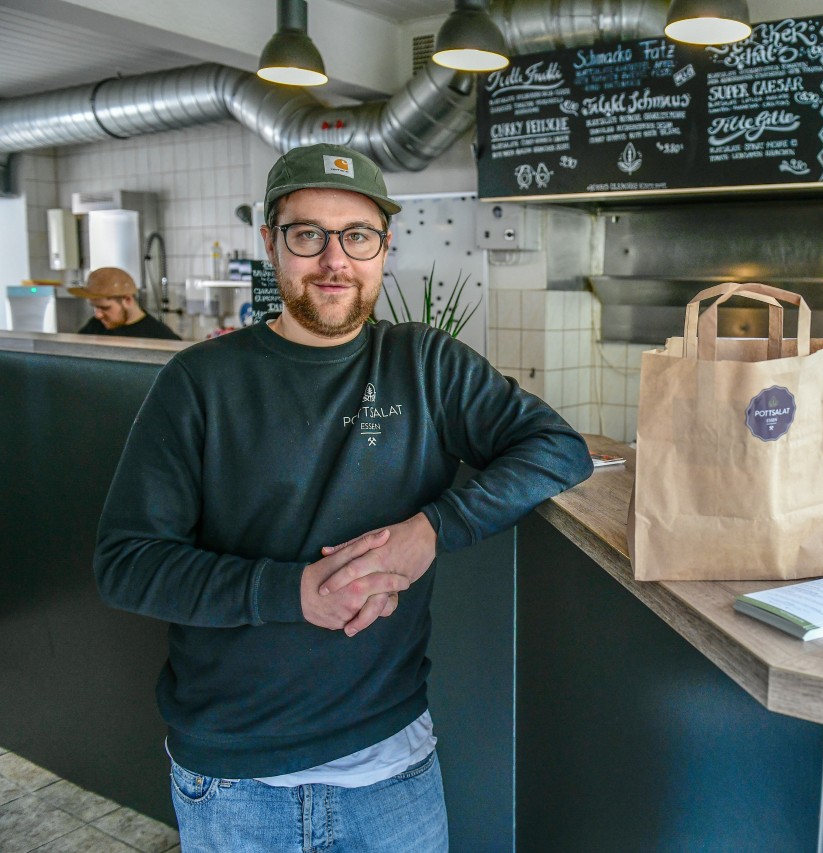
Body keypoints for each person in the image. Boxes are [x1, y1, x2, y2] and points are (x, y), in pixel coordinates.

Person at [93, 142, 594, 851]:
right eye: (308, 235)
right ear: (271, 243)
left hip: (391, 763)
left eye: (357, 235)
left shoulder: (425, 364)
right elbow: (127, 563)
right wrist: (293, 591)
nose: (335, 259)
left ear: (384, 247)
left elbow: (558, 447)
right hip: (235, 778)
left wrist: (433, 528)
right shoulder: (199, 381)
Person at [70, 266, 181, 339]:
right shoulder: (95, 326)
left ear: (127, 300)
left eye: (105, 308)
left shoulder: (160, 336)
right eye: (95, 307)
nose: (98, 315)